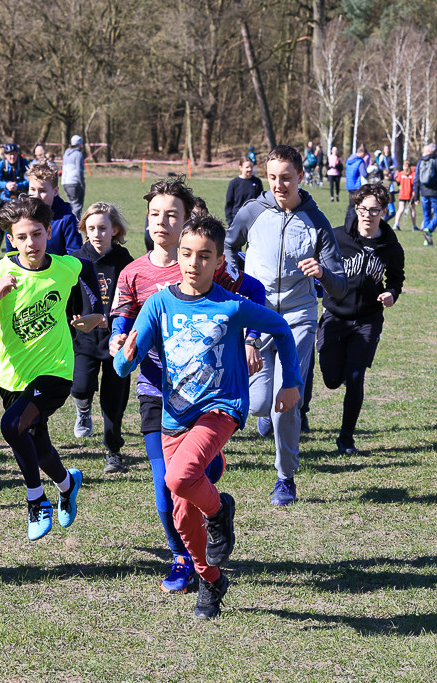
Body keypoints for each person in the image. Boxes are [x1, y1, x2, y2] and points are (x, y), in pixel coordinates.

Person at [114, 216, 301, 620]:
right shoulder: (159, 304)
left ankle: (219, 511)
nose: (193, 263)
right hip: (174, 415)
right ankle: (210, 579)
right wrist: (124, 357)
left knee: (179, 478)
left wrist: (291, 383)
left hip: (221, 407)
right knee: (182, 513)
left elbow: (282, 330)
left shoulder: (231, 305)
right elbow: (124, 364)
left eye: (204, 256)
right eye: (186, 254)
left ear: (218, 262)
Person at [110, 177, 266, 592]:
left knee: (190, 476)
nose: (161, 222)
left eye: (171, 215)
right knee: (167, 485)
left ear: (186, 221)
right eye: (155, 214)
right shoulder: (132, 273)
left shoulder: (206, 263)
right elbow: (121, 322)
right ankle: (183, 558)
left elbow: (252, 294)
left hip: (208, 393)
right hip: (156, 391)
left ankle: (211, 503)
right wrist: (118, 342)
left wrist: (250, 339)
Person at [0, 196, 103, 541]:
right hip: (13, 376)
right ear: (11, 239)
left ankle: (36, 500)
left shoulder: (66, 266)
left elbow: (87, 272)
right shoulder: (1, 272)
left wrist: (94, 313)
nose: (30, 243)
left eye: (37, 234)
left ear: (49, 231)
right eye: (21, 237)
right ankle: (67, 484)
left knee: (11, 426)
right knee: (38, 448)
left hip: (56, 370)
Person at [225, 144, 347, 506]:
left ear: (301, 177)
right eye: (273, 177)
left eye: (287, 178)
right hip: (257, 317)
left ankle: (285, 479)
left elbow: (339, 284)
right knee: (259, 404)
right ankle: (265, 416)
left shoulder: (317, 221)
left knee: (286, 400)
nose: (279, 185)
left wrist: (322, 272)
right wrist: (237, 277)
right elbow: (228, 246)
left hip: (299, 319)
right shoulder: (252, 211)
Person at [318, 184, 404, 455]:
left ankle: (346, 438)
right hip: (335, 315)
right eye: (363, 209)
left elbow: (396, 278)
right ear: (356, 209)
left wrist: (392, 293)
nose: (368, 215)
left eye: (374, 210)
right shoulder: (337, 237)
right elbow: (319, 265)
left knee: (356, 377)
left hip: (368, 320)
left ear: (384, 211)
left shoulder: (391, 246)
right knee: (332, 380)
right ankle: (342, 367)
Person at [70, 202, 134, 474]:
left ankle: (113, 451)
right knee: (80, 387)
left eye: (103, 228)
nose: (97, 234)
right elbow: (67, 298)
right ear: (84, 229)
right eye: (91, 228)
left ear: (114, 230)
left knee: (113, 400)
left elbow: (133, 301)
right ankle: (83, 409)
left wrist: (119, 324)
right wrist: (74, 318)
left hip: (117, 341)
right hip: (84, 338)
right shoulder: (75, 260)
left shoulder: (125, 262)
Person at [26, 162, 82, 256]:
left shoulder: (67, 220)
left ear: (55, 191)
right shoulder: (21, 216)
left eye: (42, 191)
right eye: (32, 189)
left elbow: (76, 256)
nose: (36, 195)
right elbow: (11, 254)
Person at [0, 142, 30, 258]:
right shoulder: (1, 165)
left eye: (14, 154)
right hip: (6, 200)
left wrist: (19, 185)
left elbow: (30, 180)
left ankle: (23, 250)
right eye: (9, 154)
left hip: (21, 200)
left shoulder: (24, 164)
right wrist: (6, 185)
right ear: (5, 155)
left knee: (22, 225)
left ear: (18, 154)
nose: (12, 157)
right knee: (2, 225)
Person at [412, 142, 437, 246]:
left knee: (426, 215)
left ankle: (426, 241)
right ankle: (428, 229)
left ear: (428, 150)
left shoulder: (421, 161)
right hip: (436, 192)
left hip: (424, 192)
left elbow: (416, 179)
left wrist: (416, 196)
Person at [224, 156, 263, 225]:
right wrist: (230, 221)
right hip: (237, 220)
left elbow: (261, 201)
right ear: (240, 168)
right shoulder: (234, 183)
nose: (250, 169)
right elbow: (228, 204)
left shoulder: (257, 182)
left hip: (253, 220)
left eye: (251, 167)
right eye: (247, 167)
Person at [63, 135, 87, 221]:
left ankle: (70, 223)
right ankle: (77, 224)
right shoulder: (78, 154)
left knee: (71, 205)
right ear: (79, 144)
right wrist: (82, 183)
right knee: (77, 205)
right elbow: (79, 170)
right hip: (74, 182)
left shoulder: (66, 153)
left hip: (65, 182)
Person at [394, 159, 417, 231]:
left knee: (400, 209)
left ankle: (396, 224)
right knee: (412, 209)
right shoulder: (413, 174)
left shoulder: (401, 173)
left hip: (402, 194)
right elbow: (415, 184)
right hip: (410, 194)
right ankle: (414, 226)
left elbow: (397, 182)